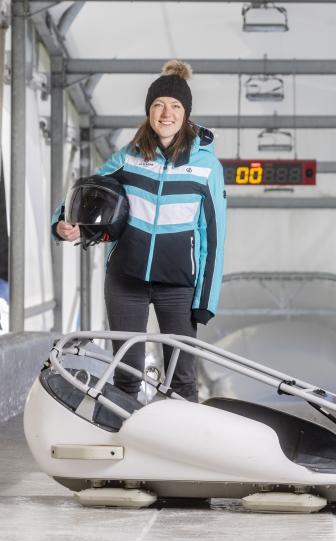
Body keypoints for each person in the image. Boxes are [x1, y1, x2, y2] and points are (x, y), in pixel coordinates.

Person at [52, 60, 227, 402]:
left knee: (182, 379)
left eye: (175, 106)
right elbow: (87, 191)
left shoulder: (207, 167)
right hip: (125, 280)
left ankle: (184, 450)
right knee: (127, 373)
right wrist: (62, 221)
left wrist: (205, 300)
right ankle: (127, 445)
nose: (166, 113)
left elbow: (214, 238)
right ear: (149, 110)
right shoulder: (129, 156)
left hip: (178, 286)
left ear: (186, 113)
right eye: (159, 105)